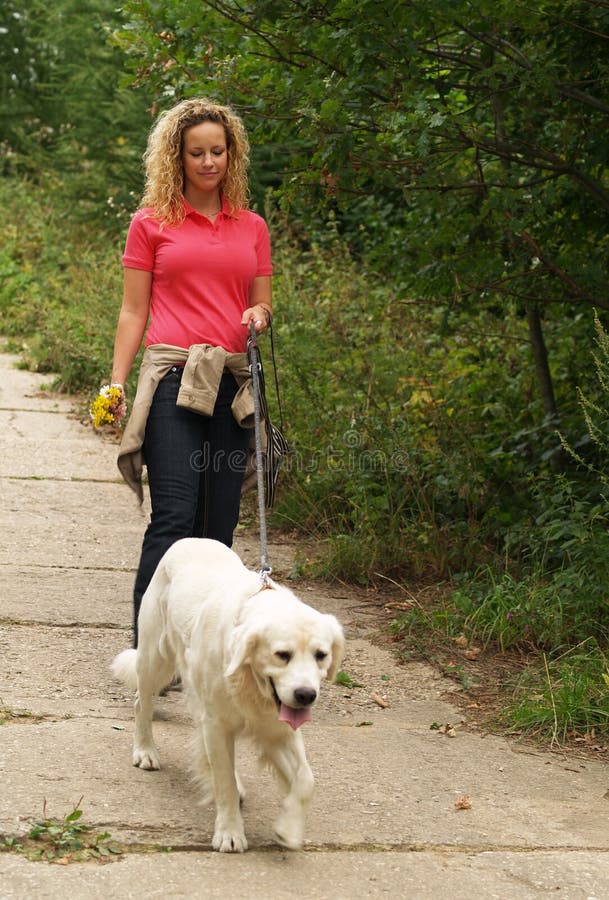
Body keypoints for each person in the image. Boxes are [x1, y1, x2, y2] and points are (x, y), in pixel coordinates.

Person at [109, 97, 273, 646]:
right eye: (196, 153)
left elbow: (262, 302)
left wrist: (258, 314)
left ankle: (201, 648)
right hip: (174, 380)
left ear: (232, 155)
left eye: (218, 152)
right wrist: (116, 380)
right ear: (176, 157)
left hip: (231, 386)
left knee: (219, 527)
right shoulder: (150, 223)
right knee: (175, 516)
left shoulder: (251, 226)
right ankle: (149, 650)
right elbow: (134, 310)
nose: (208, 162)